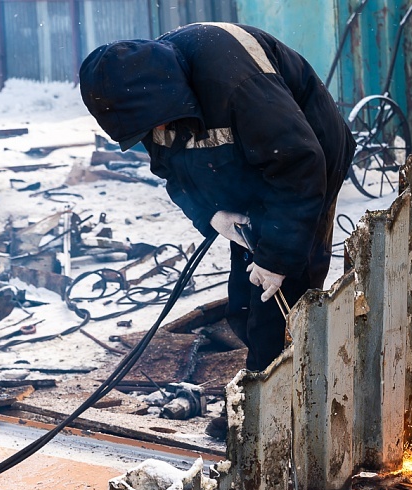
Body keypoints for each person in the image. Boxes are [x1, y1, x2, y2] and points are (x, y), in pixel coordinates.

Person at [79, 23, 356, 371]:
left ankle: (286, 385)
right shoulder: (148, 95)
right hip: (248, 159)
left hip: (309, 155)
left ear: (170, 96)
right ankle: (262, 358)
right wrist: (210, 214)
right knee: (244, 301)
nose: (156, 133)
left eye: (157, 125)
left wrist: (278, 259)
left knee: (286, 285)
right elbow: (172, 171)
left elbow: (298, 167)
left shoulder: (237, 86)